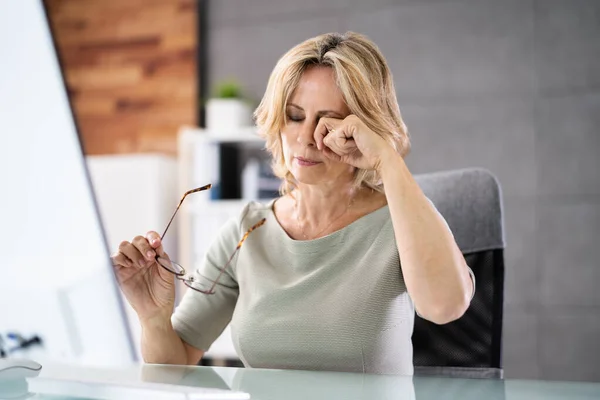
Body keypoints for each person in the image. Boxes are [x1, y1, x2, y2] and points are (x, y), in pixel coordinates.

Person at [111, 32, 475, 375]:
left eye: (329, 122)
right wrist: (153, 318)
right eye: (295, 116)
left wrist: (387, 159)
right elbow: (174, 367)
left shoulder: (402, 218)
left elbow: (445, 306)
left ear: (364, 129)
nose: (305, 138)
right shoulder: (247, 230)